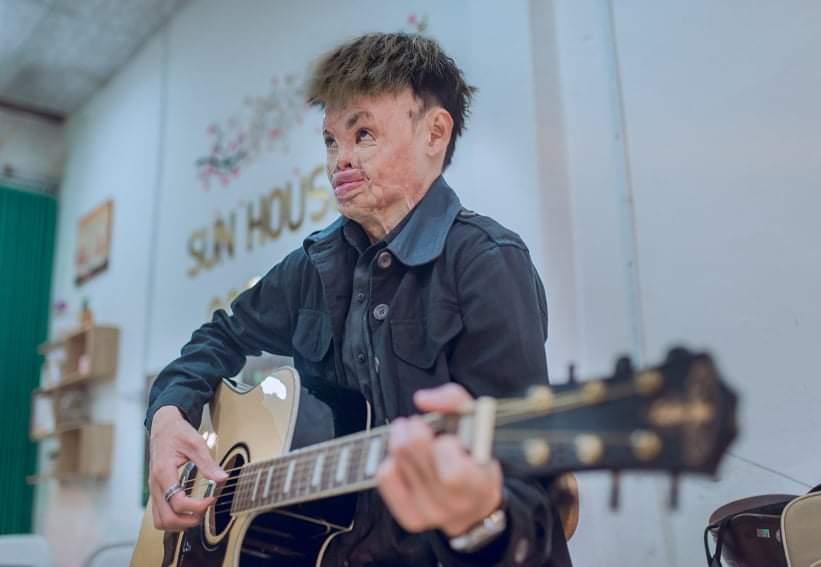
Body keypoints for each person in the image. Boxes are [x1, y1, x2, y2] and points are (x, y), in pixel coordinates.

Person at [146, 32, 572, 566]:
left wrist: (478, 514)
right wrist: (166, 418)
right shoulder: (313, 266)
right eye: (330, 141)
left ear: (434, 133)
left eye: (363, 134)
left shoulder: (487, 262)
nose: (339, 161)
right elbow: (220, 334)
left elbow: (526, 496)